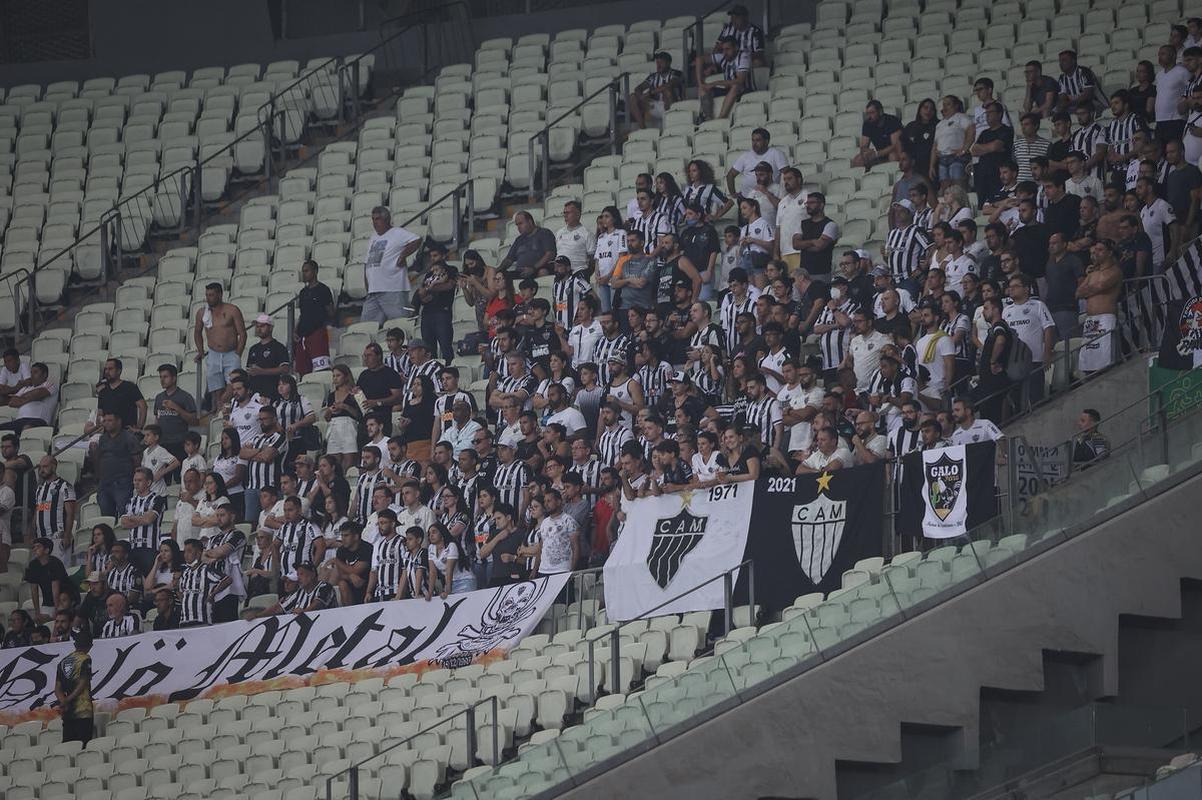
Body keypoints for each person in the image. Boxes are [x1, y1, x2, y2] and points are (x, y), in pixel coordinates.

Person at [1003, 274, 1056, 407]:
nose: (1011, 289)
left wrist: (1047, 352)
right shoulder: (1006, 310)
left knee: (1035, 397)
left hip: (1035, 359)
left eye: (1016, 286)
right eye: (1010, 287)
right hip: (1013, 362)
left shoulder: (1038, 305)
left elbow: (1048, 328)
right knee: (1016, 400)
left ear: (1026, 289)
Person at [363, 205, 422, 322]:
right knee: (367, 326)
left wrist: (403, 255)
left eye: (378, 219)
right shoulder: (373, 237)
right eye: (373, 219)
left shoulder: (397, 232)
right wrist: (368, 287)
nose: (374, 223)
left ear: (387, 219)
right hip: (374, 291)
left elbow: (417, 240)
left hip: (393, 288)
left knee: (400, 323)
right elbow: (367, 263)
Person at [192, 282, 247, 406]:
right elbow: (197, 332)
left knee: (233, 383)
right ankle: (218, 410)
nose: (208, 298)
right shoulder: (202, 312)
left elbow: (242, 334)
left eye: (211, 295)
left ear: (220, 295)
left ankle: (223, 406)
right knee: (216, 388)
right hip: (213, 353)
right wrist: (201, 351)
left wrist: (238, 354)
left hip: (231, 353)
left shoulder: (232, 310)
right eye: (207, 295)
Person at [1076, 240, 1123, 374]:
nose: (1096, 253)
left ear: (1110, 253)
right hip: (1090, 321)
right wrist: (1092, 288)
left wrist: (1089, 289)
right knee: (1088, 362)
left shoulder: (1115, 271)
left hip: (1106, 318)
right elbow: (1078, 293)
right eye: (1095, 250)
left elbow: (1101, 286)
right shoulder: (1092, 274)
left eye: (1100, 250)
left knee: (1106, 360)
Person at [414, 244, 458, 363]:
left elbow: (449, 286)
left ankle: (449, 370)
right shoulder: (429, 274)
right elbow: (422, 295)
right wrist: (424, 294)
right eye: (431, 256)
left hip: (442, 312)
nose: (433, 259)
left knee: (445, 347)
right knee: (428, 350)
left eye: (435, 255)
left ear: (443, 256)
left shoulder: (451, 270)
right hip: (427, 313)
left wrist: (430, 288)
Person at [34, 454, 77, 566]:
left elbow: (71, 513)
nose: (41, 470)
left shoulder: (65, 486)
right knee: (43, 572)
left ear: (53, 467)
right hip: (41, 538)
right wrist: (31, 533)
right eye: (40, 467)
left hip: (58, 537)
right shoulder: (39, 489)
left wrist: (67, 535)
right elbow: (37, 511)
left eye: (45, 466)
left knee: (59, 569)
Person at [696, 35, 753, 120]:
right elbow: (699, 59)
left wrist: (715, 83)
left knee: (736, 86)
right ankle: (708, 118)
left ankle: (722, 117)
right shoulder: (724, 57)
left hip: (745, 90)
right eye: (723, 50)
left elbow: (740, 81)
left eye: (727, 49)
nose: (724, 52)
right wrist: (701, 83)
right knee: (703, 89)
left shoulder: (743, 57)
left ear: (736, 48)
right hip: (729, 90)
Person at [294, 259, 335, 375]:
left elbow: (331, 312)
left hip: (317, 332)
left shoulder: (323, 290)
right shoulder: (303, 292)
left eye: (307, 271)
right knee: (302, 371)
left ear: (315, 271)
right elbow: (302, 314)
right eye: (303, 271)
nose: (304, 274)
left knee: (321, 368)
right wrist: (295, 330)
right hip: (302, 335)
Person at [153, 363, 198, 466]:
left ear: (174, 378)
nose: (162, 380)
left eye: (165, 377)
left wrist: (177, 408)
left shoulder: (185, 397)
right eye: (160, 377)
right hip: (162, 443)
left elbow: (194, 421)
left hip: (180, 443)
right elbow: (157, 419)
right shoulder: (159, 398)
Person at [24, 537, 78, 622]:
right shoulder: (33, 565)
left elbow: (55, 588)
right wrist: (37, 612)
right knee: (40, 621)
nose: (35, 549)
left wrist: (56, 610)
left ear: (46, 550)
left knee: (59, 615)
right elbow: (34, 589)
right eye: (34, 547)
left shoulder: (55, 563)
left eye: (38, 546)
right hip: (48, 600)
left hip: (65, 596)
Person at [55, 628, 94, 744]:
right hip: (83, 709)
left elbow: (57, 687)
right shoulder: (86, 659)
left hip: (67, 712)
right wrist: (68, 699)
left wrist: (63, 701)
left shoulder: (63, 662)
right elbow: (83, 682)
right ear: (90, 646)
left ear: (75, 644)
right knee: (83, 746)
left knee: (68, 746)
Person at [255, 561, 336, 617]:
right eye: (298, 574)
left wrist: (304, 612)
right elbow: (278, 608)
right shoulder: (299, 592)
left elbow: (318, 604)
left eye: (301, 574)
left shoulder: (325, 587)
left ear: (313, 574)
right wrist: (257, 616)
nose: (298, 577)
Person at [629, 51, 683, 128]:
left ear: (668, 63)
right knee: (632, 97)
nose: (658, 65)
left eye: (661, 63)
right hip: (654, 106)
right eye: (657, 63)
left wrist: (650, 93)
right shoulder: (653, 76)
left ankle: (670, 125)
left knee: (667, 91)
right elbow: (638, 88)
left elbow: (668, 85)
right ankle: (643, 129)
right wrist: (642, 97)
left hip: (672, 105)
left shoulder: (677, 73)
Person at [245, 314, 291, 400]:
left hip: (272, 393)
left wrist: (262, 371)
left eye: (262, 326)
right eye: (257, 326)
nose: (259, 329)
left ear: (270, 328)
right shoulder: (253, 348)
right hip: (254, 394)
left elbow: (285, 369)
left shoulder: (279, 347)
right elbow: (249, 371)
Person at [499, 211, 557, 278]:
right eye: (517, 225)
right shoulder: (519, 239)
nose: (518, 227)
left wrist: (533, 268)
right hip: (520, 272)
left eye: (520, 223)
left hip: (537, 270)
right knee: (500, 277)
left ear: (530, 222)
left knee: (543, 272)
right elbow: (509, 260)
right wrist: (498, 269)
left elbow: (550, 254)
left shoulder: (544, 233)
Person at [852, 100, 904, 170]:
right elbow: (863, 146)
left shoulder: (892, 121)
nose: (869, 116)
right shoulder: (867, 124)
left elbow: (895, 146)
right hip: (879, 155)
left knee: (893, 156)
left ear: (880, 112)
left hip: (894, 152)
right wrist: (867, 152)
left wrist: (877, 154)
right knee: (858, 159)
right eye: (867, 113)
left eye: (872, 113)